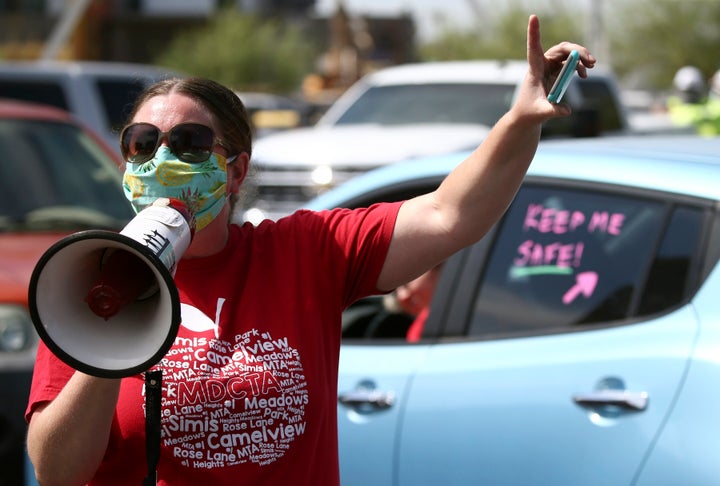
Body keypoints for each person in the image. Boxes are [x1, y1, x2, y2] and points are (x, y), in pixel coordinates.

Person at [25, 15, 594, 486]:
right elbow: (56, 474)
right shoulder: (87, 277)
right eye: (142, 144)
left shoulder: (305, 253)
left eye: (189, 143)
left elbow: (450, 214)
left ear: (235, 169)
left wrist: (521, 121)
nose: (161, 160)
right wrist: (108, 333)